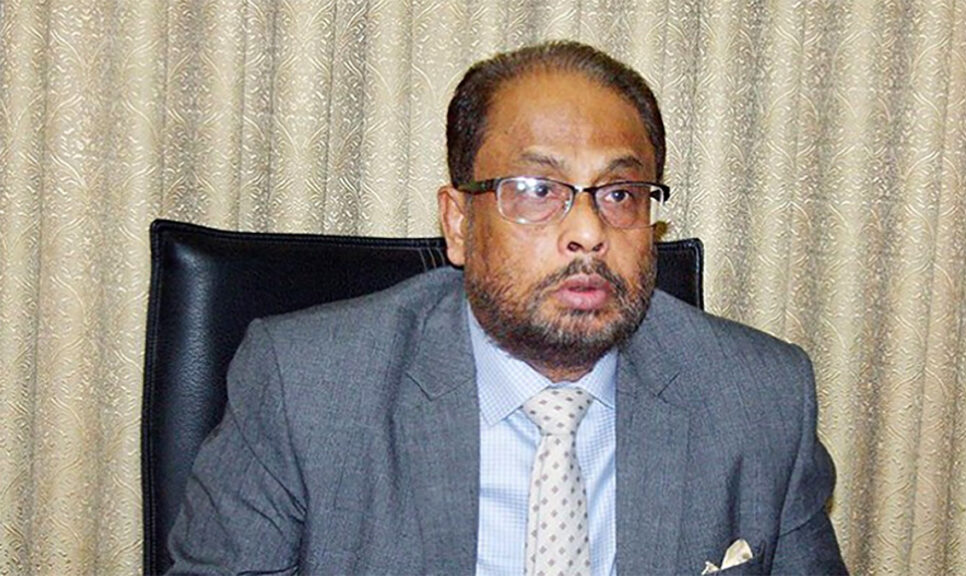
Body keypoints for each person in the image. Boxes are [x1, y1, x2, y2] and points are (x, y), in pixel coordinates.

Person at [167, 41, 847, 575]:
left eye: (619, 194)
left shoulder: (761, 398)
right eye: (537, 189)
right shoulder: (305, 388)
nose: (588, 231)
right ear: (459, 223)